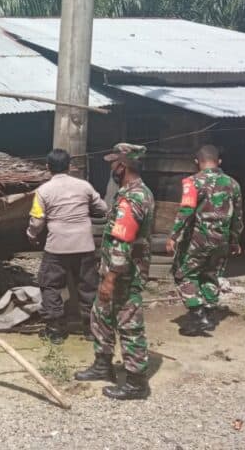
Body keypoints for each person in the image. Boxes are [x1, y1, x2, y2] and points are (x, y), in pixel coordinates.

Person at [75, 143, 154, 401]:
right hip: (114, 271)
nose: (111, 167)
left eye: (113, 163)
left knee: (129, 325)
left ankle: (136, 383)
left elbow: (123, 241)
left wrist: (110, 278)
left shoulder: (134, 197)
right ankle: (103, 365)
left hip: (123, 275)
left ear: (123, 166)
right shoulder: (126, 193)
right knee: (101, 316)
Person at [27, 148, 107, 344]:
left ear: (48, 168)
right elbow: (103, 208)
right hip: (84, 244)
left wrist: (31, 234)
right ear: (69, 166)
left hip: (57, 247)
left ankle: (55, 329)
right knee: (88, 286)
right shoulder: (84, 186)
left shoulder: (43, 191)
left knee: (50, 285)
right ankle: (90, 329)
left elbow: (37, 222)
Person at [166, 145, 243, 336]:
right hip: (222, 240)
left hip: (198, 239)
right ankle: (208, 314)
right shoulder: (233, 184)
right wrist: (235, 241)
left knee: (183, 274)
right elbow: (238, 217)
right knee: (211, 274)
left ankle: (198, 314)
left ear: (196, 162)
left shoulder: (192, 182)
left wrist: (173, 236)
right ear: (219, 161)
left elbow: (186, 210)